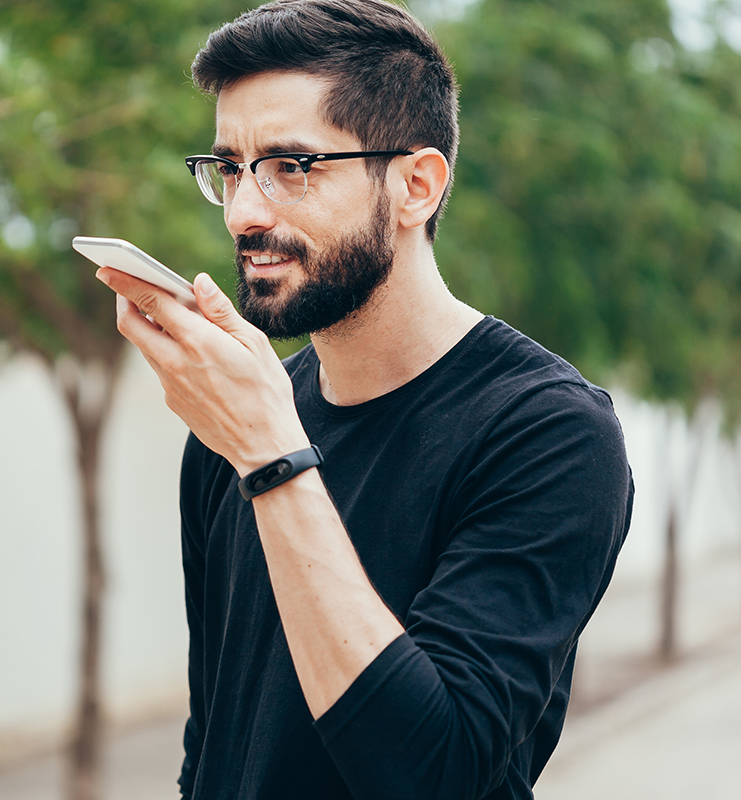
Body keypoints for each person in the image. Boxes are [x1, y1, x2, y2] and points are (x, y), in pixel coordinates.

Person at [94, 1, 634, 797]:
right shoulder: (235, 424)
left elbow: (431, 770)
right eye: (230, 169)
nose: (244, 212)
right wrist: (255, 439)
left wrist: (272, 459)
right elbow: (213, 744)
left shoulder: (549, 434)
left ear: (415, 186)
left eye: (291, 167)